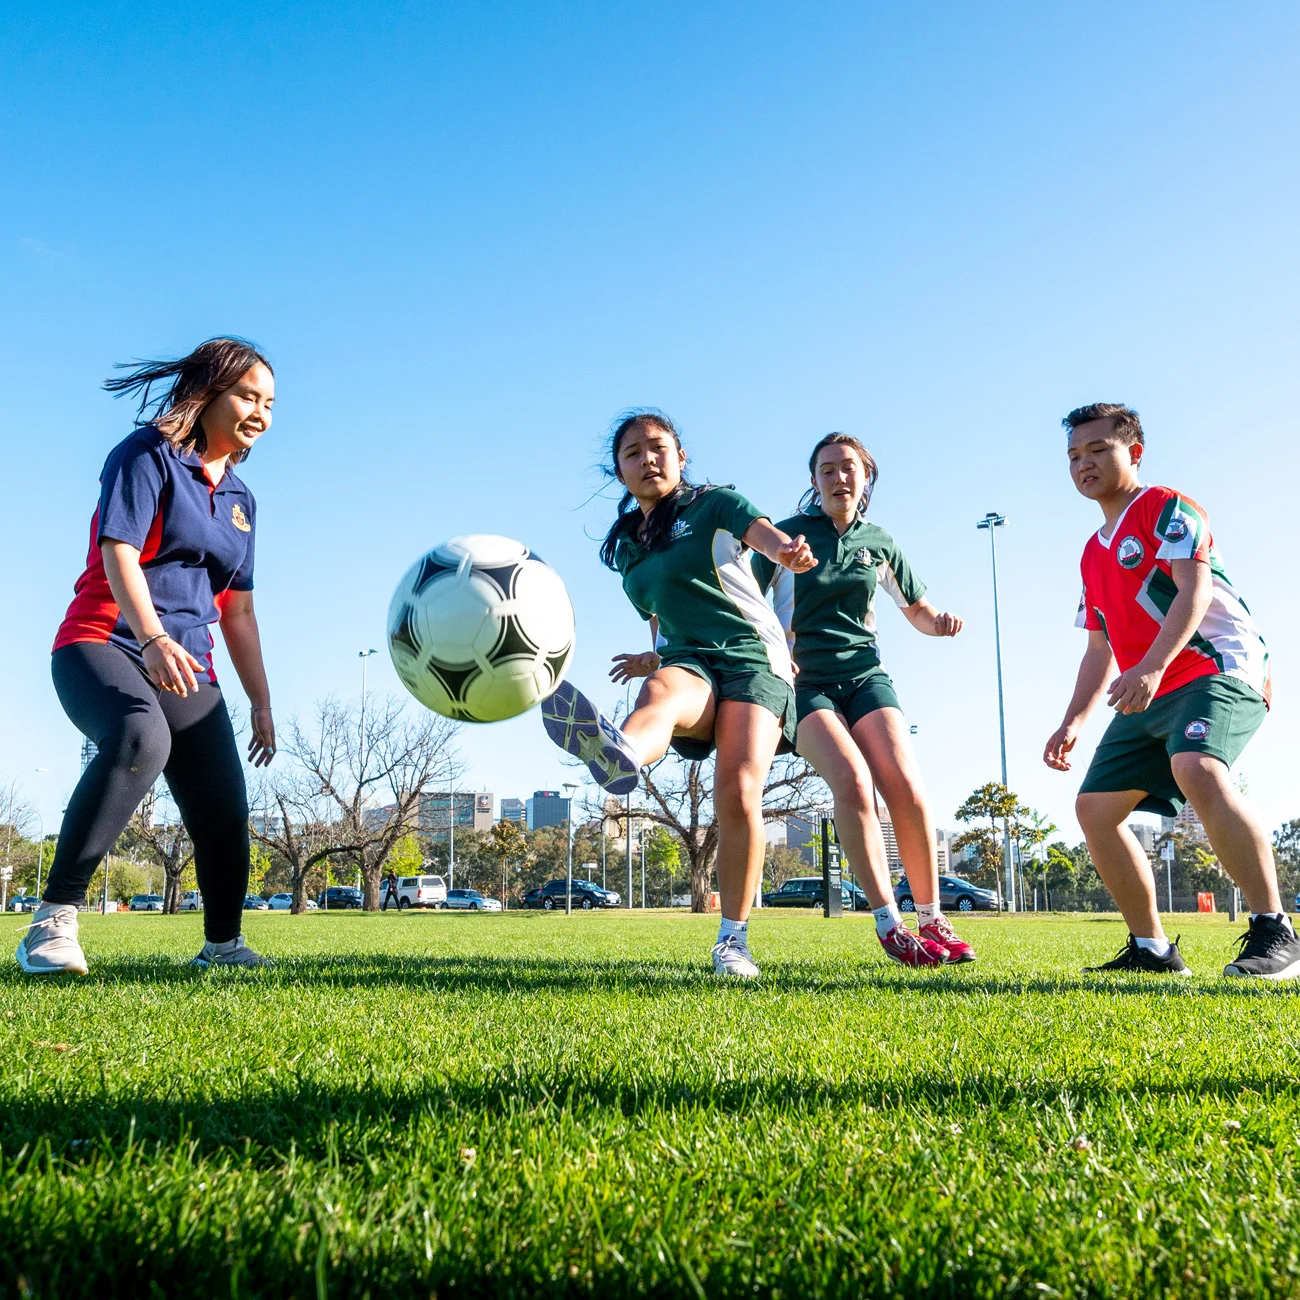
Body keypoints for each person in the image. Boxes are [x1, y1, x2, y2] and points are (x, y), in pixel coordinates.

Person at [17, 338, 278, 975]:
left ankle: (222, 948)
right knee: (140, 738)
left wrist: (262, 702)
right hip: (102, 642)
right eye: (248, 395)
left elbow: (238, 611)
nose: (261, 413)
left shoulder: (242, 502)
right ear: (208, 391)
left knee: (222, 803)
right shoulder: (146, 455)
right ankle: (51, 923)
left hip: (190, 668)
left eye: (270, 403)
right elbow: (120, 552)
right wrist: (155, 637)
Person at [541, 410, 815, 978]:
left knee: (737, 790)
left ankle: (733, 942)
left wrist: (787, 552)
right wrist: (651, 657)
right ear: (619, 471)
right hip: (689, 661)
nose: (648, 459)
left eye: (658, 447)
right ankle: (619, 752)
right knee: (659, 688)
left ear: (680, 455)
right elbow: (660, 623)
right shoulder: (628, 551)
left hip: (750, 659)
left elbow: (769, 539)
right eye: (633, 454)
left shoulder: (716, 504)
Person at [1045, 403, 1299, 977]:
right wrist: (1073, 723)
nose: (1083, 463)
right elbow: (1098, 651)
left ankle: (1275, 931)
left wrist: (1154, 666)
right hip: (1149, 687)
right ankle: (1153, 950)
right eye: (1073, 455)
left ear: (1133, 453)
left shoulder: (1167, 508)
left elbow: (1195, 591)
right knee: (1094, 810)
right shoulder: (1091, 553)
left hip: (1216, 668)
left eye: (1098, 450)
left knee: (1197, 767)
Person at [753, 433, 973, 967]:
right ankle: (888, 923)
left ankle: (931, 918)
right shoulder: (786, 538)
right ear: (813, 481)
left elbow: (916, 609)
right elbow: (743, 599)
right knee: (853, 783)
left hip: (866, 675)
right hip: (805, 684)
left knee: (905, 785)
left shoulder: (880, 542)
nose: (838, 478)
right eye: (826, 470)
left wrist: (937, 623)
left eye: (848, 468)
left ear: (865, 477)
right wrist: (773, 652)